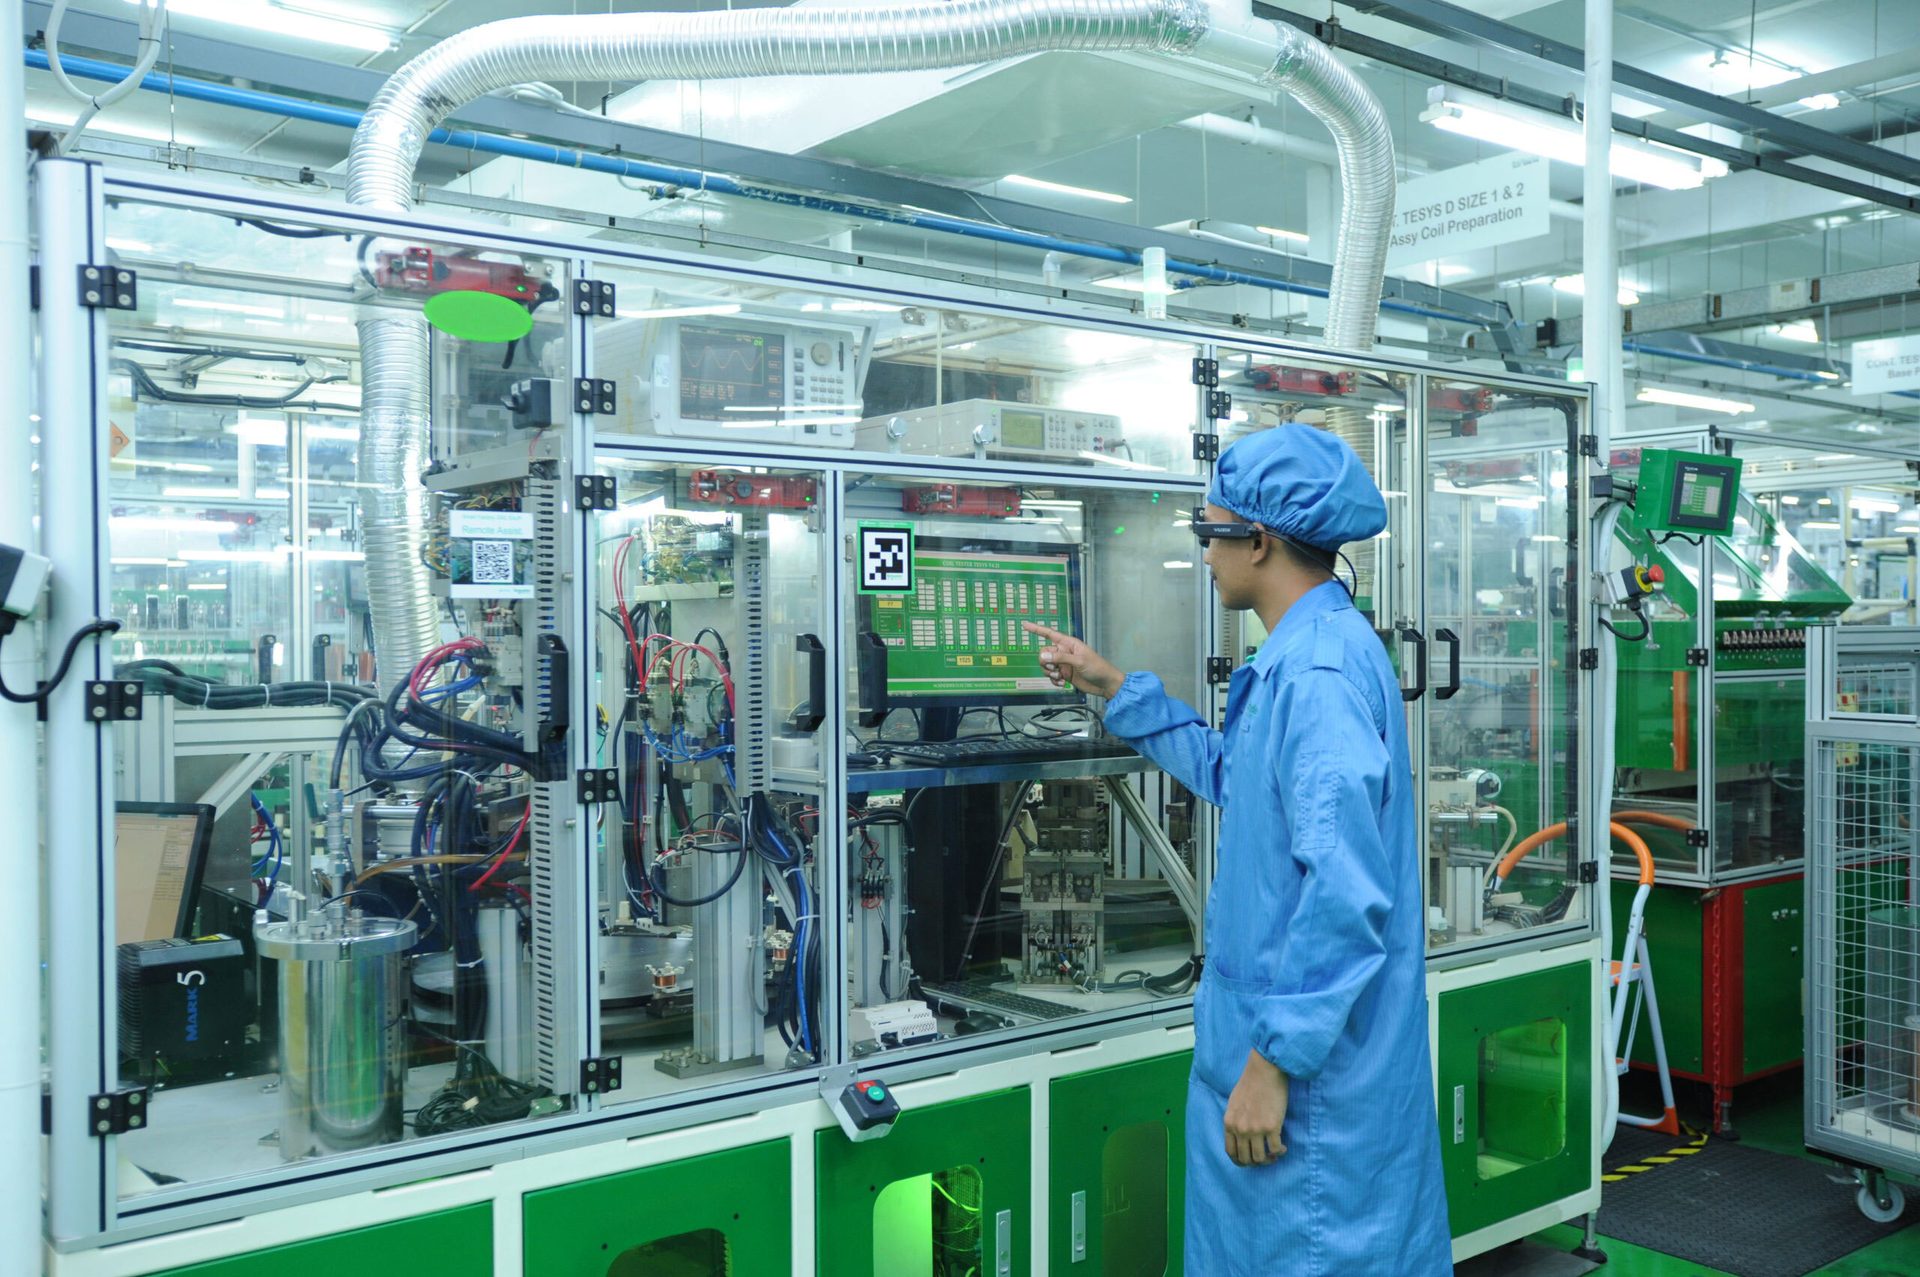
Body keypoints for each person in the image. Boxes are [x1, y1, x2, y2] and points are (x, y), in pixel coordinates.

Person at [1023, 423, 1451, 1276]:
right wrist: (1115, 687)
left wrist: (1272, 1061)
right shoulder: (1304, 652)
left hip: (1312, 1082)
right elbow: (1236, 774)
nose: (1205, 556)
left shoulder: (1318, 674)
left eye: (1210, 534)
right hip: (1282, 1048)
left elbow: (1344, 891)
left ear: (1259, 540)